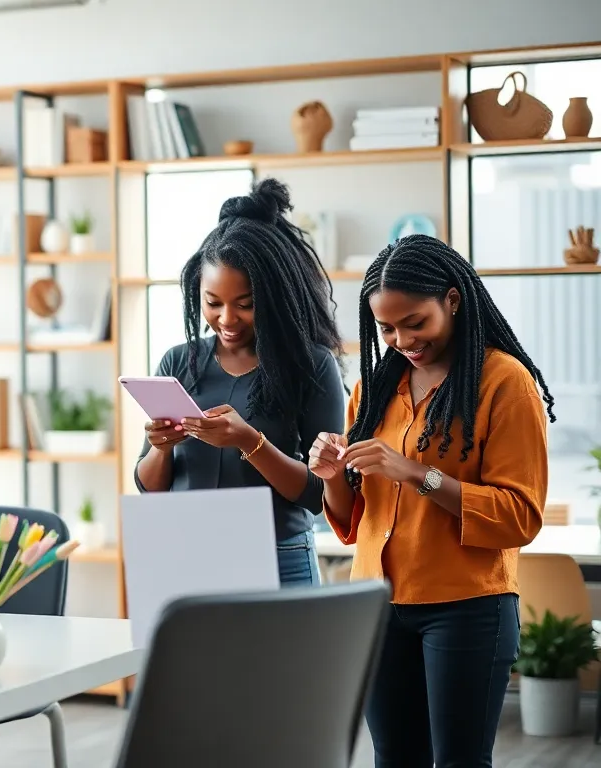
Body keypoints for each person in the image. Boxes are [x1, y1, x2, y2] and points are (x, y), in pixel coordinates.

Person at [310, 234, 553, 767]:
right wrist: (331, 476)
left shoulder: (504, 383)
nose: (402, 340)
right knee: (394, 758)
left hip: (467, 608)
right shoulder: (372, 392)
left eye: (415, 322)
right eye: (387, 328)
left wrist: (418, 475)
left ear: (453, 299)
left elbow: (520, 515)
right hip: (375, 606)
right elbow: (357, 520)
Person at [133, 178, 346, 586]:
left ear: (274, 296)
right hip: (185, 557)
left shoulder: (311, 365)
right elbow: (150, 487)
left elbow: (319, 494)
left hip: (278, 558)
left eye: (245, 305)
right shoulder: (179, 361)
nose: (227, 319)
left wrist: (250, 441)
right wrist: (160, 449)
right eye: (213, 303)